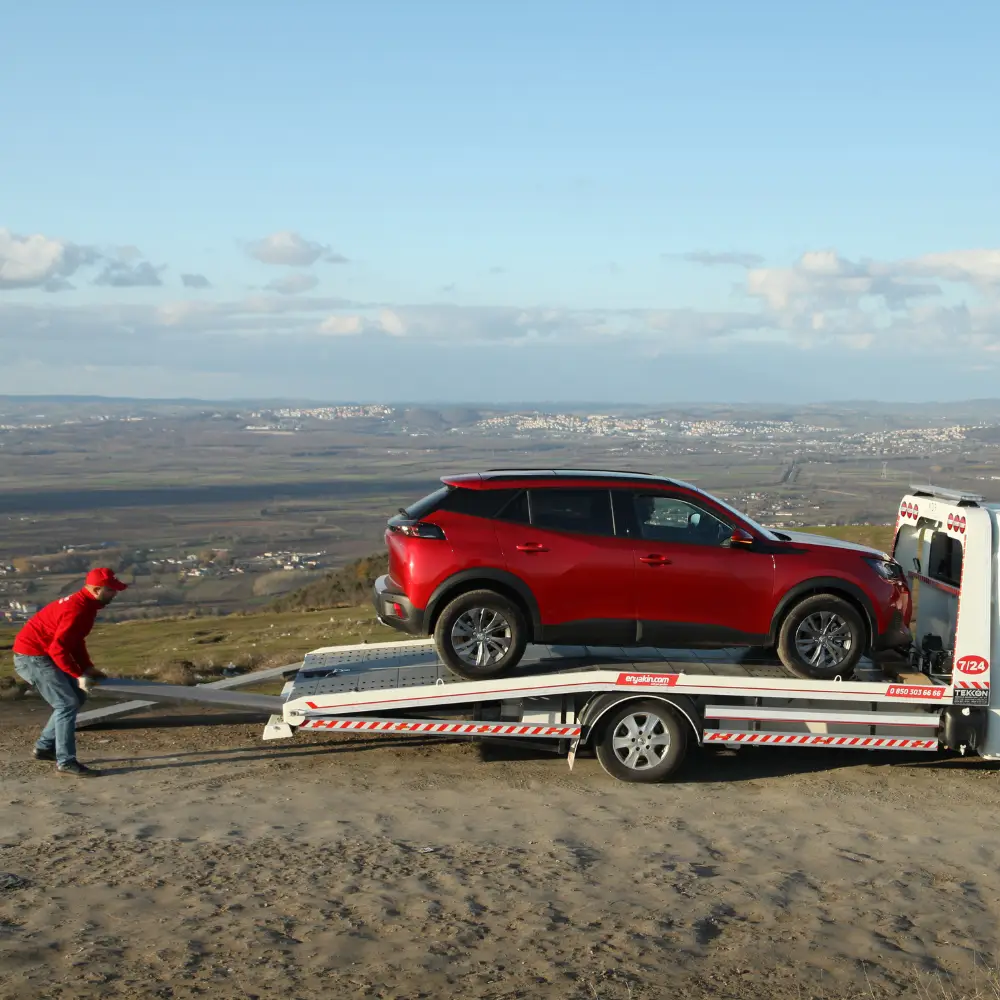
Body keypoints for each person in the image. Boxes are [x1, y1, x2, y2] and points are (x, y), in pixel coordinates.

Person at [12, 567, 127, 777]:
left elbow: (75, 641)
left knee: (78, 696)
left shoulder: (88, 605)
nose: (115, 594)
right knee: (66, 703)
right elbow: (58, 649)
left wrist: (86, 667)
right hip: (33, 658)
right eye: (111, 590)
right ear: (96, 589)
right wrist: (78, 674)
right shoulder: (77, 609)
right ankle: (65, 761)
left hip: (44, 654)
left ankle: (44, 747)